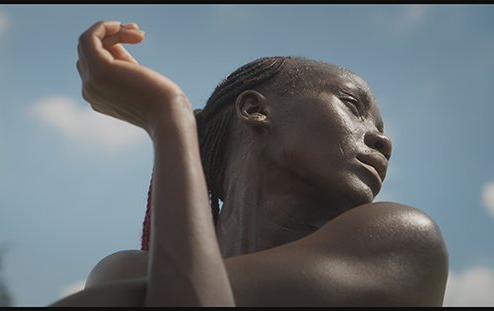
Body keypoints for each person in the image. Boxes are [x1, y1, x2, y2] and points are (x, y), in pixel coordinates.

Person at [50, 21, 448, 307]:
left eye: (378, 126)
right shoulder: (124, 269)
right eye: (352, 105)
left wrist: (166, 116)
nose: (383, 140)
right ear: (256, 110)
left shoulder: (401, 243)